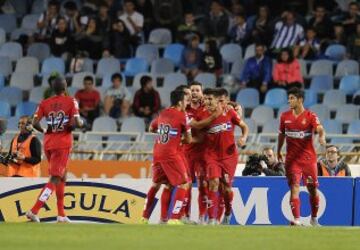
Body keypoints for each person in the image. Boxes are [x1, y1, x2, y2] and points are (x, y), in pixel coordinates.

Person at [26, 76, 84, 223]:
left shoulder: (44, 103)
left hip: (49, 143)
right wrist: (81, 123)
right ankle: (34, 210)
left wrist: (45, 130)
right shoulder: (71, 101)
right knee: (55, 178)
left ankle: (61, 214)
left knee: (63, 176)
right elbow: (77, 122)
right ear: (65, 88)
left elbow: (34, 123)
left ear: (53, 89)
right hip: (63, 143)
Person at [141, 90, 192, 225]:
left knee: (157, 184)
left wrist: (167, 134)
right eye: (186, 100)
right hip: (170, 154)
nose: (188, 103)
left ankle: (144, 217)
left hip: (157, 152)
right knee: (184, 184)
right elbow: (189, 139)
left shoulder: (163, 113)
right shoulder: (182, 115)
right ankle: (175, 218)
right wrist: (179, 138)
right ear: (180, 101)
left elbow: (151, 128)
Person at [277, 87, 326, 226]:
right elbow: (281, 134)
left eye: (292, 98)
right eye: (289, 98)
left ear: (300, 100)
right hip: (292, 160)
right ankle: (297, 219)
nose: (289, 101)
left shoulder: (310, 116)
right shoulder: (284, 116)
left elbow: (320, 128)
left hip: (309, 160)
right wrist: (279, 150)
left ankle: (314, 218)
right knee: (295, 187)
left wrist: (322, 137)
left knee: (312, 189)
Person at [204, 88, 248, 225]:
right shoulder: (204, 115)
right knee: (214, 182)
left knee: (226, 189)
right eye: (219, 101)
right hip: (212, 156)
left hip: (229, 156)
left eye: (223, 101)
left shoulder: (230, 112)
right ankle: (211, 219)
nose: (221, 103)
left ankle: (228, 213)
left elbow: (244, 126)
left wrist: (244, 138)